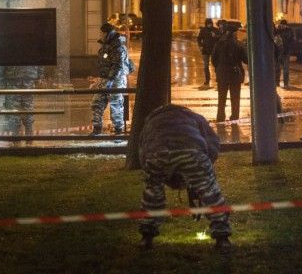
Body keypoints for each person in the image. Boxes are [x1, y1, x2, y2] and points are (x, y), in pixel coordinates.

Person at [138, 104, 232, 250]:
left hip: (157, 153)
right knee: (210, 191)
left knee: (152, 194)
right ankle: (222, 237)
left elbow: (143, 151)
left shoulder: (150, 122)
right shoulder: (194, 117)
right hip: (191, 151)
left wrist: (153, 173)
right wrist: (203, 171)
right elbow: (213, 143)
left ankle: (146, 236)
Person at [90, 22, 132, 135]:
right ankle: (96, 129)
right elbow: (104, 63)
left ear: (106, 33)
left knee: (116, 104)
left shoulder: (117, 47)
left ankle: (119, 130)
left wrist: (109, 80)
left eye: (101, 33)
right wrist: (100, 79)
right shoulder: (107, 45)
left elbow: (117, 66)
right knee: (96, 102)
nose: (100, 35)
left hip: (116, 79)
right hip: (106, 78)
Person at [211, 23, 248, 130]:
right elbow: (246, 60)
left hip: (222, 73)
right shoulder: (239, 44)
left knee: (221, 98)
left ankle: (220, 116)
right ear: (235, 33)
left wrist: (219, 67)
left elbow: (213, 59)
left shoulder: (219, 44)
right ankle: (234, 117)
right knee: (235, 98)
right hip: (235, 74)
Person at [1, 65, 43, 144]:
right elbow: (40, 58)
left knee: (14, 110)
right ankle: (29, 140)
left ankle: (16, 140)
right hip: (29, 76)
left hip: (13, 76)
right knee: (28, 109)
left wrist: (1, 77)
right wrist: (40, 75)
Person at [197, 18, 219, 89]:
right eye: (208, 24)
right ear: (206, 24)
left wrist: (215, 36)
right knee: (206, 66)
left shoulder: (215, 30)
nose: (209, 25)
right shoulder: (203, 30)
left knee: (216, 65)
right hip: (205, 50)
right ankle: (207, 80)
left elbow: (219, 39)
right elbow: (199, 38)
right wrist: (200, 45)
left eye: (210, 23)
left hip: (214, 50)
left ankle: (218, 79)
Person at [274, 19, 294, 88]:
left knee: (278, 68)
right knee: (284, 68)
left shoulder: (277, 30)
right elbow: (292, 40)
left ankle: (277, 82)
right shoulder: (289, 30)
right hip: (284, 52)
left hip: (279, 52)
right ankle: (285, 84)